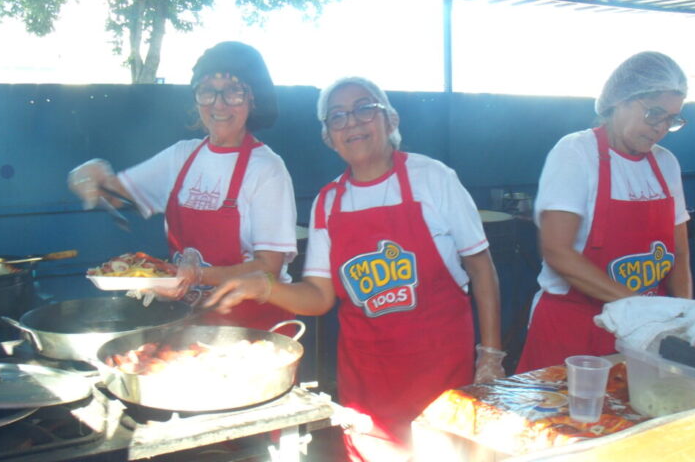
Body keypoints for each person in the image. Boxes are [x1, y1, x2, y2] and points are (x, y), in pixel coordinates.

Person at [206, 77, 505, 462]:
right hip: (368, 388)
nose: (352, 123)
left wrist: (491, 355)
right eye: (338, 117)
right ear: (329, 137)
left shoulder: (433, 179)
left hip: (442, 379)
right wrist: (263, 287)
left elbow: (482, 269)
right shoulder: (328, 203)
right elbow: (317, 296)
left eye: (365, 109)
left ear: (391, 120)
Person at [67, 41, 297, 330]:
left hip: (257, 329)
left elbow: (268, 269)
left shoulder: (267, 169)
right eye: (207, 91)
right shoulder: (181, 156)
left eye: (233, 92)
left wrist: (196, 276)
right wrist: (89, 175)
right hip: (191, 325)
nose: (218, 103)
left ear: (254, 100)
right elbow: (112, 195)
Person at [516, 51, 694, 373]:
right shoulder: (576, 152)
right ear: (620, 101)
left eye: (672, 119)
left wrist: (683, 318)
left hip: (645, 332)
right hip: (574, 330)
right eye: (654, 113)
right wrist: (642, 309)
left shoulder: (665, 163)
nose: (661, 128)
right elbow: (558, 252)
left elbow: (679, 252)